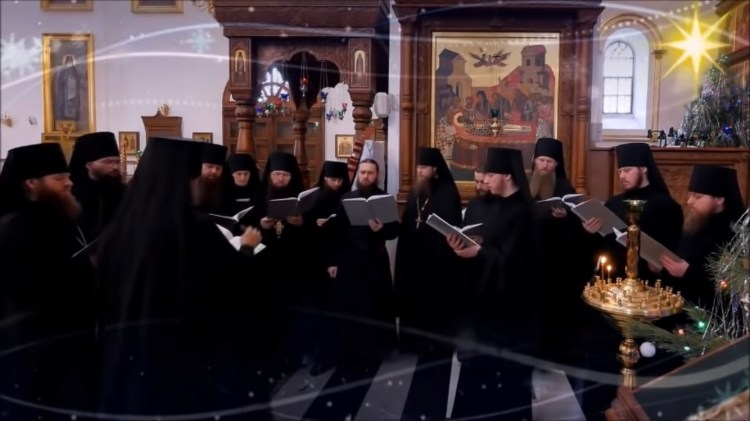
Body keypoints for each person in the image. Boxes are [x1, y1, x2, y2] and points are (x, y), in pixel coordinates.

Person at [95, 137, 269, 418]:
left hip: (130, 359)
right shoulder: (193, 229)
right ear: (184, 181)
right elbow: (235, 285)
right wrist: (247, 249)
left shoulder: (121, 226)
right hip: (184, 363)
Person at [0, 143, 98, 418]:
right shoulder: (15, 228)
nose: (69, 183)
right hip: (35, 348)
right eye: (59, 178)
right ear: (31, 183)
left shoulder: (61, 217)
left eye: (68, 176)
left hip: (69, 343)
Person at [447, 147, 541, 419]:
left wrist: (479, 252)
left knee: (505, 386)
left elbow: (522, 267)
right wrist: (466, 245)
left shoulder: (525, 212)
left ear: (507, 176)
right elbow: (490, 246)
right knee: (477, 377)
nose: (485, 180)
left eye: (490, 175)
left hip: (511, 317)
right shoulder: (488, 205)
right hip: (484, 309)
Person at [304, 159, 399, 420]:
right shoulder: (347, 198)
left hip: (375, 261)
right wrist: (333, 261)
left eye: (371, 173)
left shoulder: (384, 199)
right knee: (349, 307)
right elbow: (337, 233)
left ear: (377, 175)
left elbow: (394, 231)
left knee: (374, 306)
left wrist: (383, 228)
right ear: (359, 175)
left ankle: (373, 351)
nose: (366, 176)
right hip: (349, 260)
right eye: (363, 172)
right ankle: (350, 350)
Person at [394, 147, 462, 420]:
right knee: (415, 303)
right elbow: (410, 223)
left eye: (424, 167)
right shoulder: (416, 191)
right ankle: (414, 341)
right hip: (415, 260)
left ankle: (435, 343)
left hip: (437, 262)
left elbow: (451, 228)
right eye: (418, 167)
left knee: (434, 305)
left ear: (435, 169)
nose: (420, 171)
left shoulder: (448, 193)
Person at [530, 137, 594, 364]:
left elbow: (579, 229)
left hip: (557, 262)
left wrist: (566, 217)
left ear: (557, 164)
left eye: (549, 161)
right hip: (530, 258)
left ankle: (553, 354)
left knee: (554, 310)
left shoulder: (566, 189)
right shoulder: (526, 187)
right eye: (541, 160)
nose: (544, 165)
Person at [582, 143, 683, 282]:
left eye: (627, 170)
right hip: (613, 280)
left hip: (648, 282)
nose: (622, 176)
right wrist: (591, 232)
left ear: (643, 169)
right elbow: (603, 246)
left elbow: (674, 247)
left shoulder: (667, 206)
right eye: (620, 172)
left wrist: (659, 266)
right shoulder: (613, 203)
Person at [660, 165, 747, 307]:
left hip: (709, 313)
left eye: (697, 196)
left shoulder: (735, 232)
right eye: (690, 195)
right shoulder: (695, 222)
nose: (689, 201)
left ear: (719, 199)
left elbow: (731, 283)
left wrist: (688, 273)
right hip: (680, 304)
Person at [301, 160, 351, 373]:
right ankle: (318, 352)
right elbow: (304, 228)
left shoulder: (349, 199)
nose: (336, 184)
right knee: (317, 310)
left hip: (339, 262)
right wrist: (314, 224)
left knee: (336, 311)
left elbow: (348, 234)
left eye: (339, 180)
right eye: (332, 180)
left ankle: (332, 354)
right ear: (324, 179)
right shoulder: (313, 199)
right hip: (315, 261)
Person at [68, 131, 126, 241]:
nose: (115, 167)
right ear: (88, 164)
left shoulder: (122, 191)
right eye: (108, 162)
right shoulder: (71, 194)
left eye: (117, 162)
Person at [194, 143, 232, 215]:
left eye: (218, 168)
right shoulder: (189, 188)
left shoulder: (226, 187)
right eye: (210, 166)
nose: (214, 171)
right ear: (200, 167)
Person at [54, 55, 81, 121]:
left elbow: (77, 80)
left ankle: (73, 117)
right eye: (68, 61)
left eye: (70, 61)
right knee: (64, 104)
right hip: (65, 92)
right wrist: (65, 79)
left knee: (73, 104)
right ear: (66, 62)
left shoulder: (74, 70)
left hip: (73, 92)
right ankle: (64, 116)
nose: (69, 63)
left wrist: (73, 80)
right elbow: (61, 81)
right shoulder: (63, 71)